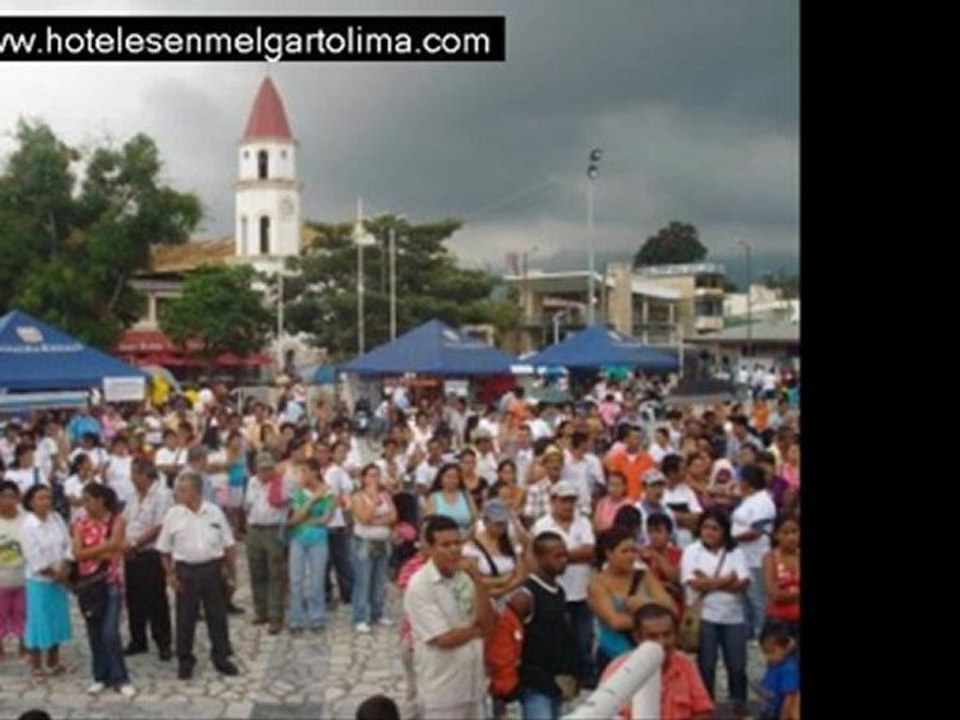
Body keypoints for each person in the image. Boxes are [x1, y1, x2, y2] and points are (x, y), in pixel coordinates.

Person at [403, 514, 495, 720]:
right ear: (430, 548)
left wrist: (479, 581)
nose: (454, 549)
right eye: (445, 545)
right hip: (443, 691)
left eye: (457, 543)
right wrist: (477, 631)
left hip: (473, 685)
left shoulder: (465, 578)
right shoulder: (420, 585)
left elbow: (489, 624)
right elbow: (444, 638)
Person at [157, 470, 240, 680]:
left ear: (195, 491)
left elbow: (228, 545)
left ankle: (221, 657)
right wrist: (170, 575)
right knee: (185, 619)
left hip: (212, 569)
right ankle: (185, 660)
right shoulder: (173, 515)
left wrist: (232, 574)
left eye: (183, 490)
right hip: (186, 570)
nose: (178, 494)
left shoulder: (214, 512)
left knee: (217, 617)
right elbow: (164, 550)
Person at [681, 509, 751, 716]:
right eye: (705, 527)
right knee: (706, 665)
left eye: (715, 528)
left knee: (737, 665)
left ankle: (739, 704)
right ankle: (706, 706)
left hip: (734, 617)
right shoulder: (691, 551)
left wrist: (710, 582)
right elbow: (693, 582)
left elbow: (743, 583)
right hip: (705, 617)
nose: (709, 532)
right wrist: (726, 580)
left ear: (724, 531)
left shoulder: (735, 552)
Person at [506, 531, 580, 720]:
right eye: (557, 556)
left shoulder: (559, 591)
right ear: (540, 558)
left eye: (565, 555)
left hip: (556, 679)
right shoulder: (525, 596)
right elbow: (508, 638)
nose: (564, 560)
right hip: (534, 682)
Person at [72, 483, 135, 696]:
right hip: (89, 585)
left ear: (100, 500)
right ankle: (101, 675)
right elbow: (78, 553)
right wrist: (104, 549)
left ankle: (120, 676)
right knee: (94, 632)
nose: (85, 503)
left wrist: (92, 551)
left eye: (88, 498)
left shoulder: (116, 520)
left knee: (110, 632)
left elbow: (116, 544)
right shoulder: (79, 523)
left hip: (111, 582)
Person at [599, 603, 714, 720]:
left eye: (667, 634)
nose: (662, 642)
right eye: (653, 636)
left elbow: (703, 711)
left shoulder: (686, 665)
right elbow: (603, 713)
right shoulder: (619, 669)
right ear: (637, 637)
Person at [533, 480, 597, 688]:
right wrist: (573, 555)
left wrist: (559, 556)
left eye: (571, 501)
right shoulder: (542, 525)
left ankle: (585, 677)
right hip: (555, 591)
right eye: (564, 501)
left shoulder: (583, 522)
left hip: (582, 590)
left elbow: (590, 551)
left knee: (584, 638)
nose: (568, 505)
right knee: (560, 638)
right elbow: (540, 559)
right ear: (553, 501)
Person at [588, 525, 676, 675]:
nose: (631, 556)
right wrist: (652, 615)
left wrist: (644, 602)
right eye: (624, 551)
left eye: (633, 551)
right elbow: (616, 622)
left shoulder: (644, 576)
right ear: (609, 553)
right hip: (614, 655)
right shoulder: (597, 584)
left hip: (647, 653)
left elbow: (672, 608)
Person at [122, 458, 173, 661]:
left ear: (145, 475)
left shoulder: (163, 495)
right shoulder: (133, 497)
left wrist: (136, 543)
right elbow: (125, 519)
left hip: (150, 553)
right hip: (131, 553)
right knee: (134, 598)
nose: (131, 478)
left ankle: (163, 641)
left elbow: (160, 526)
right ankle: (138, 639)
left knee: (155, 599)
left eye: (134, 474)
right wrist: (125, 543)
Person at [20, 484, 72, 679]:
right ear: (31, 502)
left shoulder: (56, 519)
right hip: (39, 580)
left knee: (57, 619)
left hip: (59, 577)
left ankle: (54, 658)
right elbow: (33, 557)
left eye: (48, 498)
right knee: (38, 622)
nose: (46, 502)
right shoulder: (28, 525)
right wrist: (55, 574)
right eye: (41, 498)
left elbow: (68, 544)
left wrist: (65, 567)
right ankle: (36, 663)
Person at [245, 451, 292, 635]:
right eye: (261, 469)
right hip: (255, 529)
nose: (265, 473)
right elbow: (248, 505)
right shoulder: (252, 483)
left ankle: (275, 616)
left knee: (275, 574)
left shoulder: (284, 482)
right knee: (256, 571)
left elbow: (289, 503)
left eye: (268, 469)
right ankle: (261, 610)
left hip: (273, 529)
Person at [288, 457, 335, 634]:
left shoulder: (329, 492)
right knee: (296, 580)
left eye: (305, 471)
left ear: (315, 472)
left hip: (318, 540)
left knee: (316, 580)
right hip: (298, 539)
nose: (302, 475)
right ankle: (296, 618)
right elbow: (294, 518)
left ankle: (317, 617)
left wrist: (307, 519)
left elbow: (326, 518)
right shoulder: (298, 492)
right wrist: (313, 499)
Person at [351, 464, 398, 633]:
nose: (373, 479)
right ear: (363, 478)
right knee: (363, 580)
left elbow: (393, 516)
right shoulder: (358, 497)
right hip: (364, 542)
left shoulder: (386, 495)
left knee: (379, 581)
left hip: (382, 541)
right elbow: (363, 518)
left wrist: (376, 520)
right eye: (370, 475)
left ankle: (377, 613)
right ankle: (360, 617)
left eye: (376, 475)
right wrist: (374, 504)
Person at [732, 464, 776, 638]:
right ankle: (749, 631)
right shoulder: (749, 499)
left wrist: (732, 539)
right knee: (746, 598)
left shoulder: (763, 501)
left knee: (758, 598)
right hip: (744, 557)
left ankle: (762, 633)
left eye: (740, 479)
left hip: (756, 557)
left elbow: (757, 532)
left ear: (747, 482)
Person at [462, 499, 526, 603]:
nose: (502, 527)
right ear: (485, 522)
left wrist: (502, 590)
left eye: (504, 523)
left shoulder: (511, 542)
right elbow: (475, 579)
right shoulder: (472, 547)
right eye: (498, 523)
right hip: (487, 599)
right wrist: (501, 580)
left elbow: (520, 575)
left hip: (512, 597)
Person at [325, 441, 355, 607]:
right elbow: (335, 495)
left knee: (343, 560)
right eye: (339, 451)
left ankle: (347, 592)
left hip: (341, 520)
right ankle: (331, 593)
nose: (343, 454)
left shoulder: (342, 471)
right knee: (333, 560)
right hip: (334, 519)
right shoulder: (333, 472)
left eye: (345, 451)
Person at [762, 514, 800, 641]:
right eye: (785, 533)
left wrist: (786, 593)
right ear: (776, 535)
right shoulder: (770, 558)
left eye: (795, 531)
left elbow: (780, 593)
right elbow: (774, 595)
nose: (791, 537)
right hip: (778, 622)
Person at [0, 480, 26, 660]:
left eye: (12, 496)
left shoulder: (27, 520)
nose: (8, 501)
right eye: (3, 497)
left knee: (24, 613)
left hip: (24, 577)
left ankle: (25, 645)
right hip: (1, 578)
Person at [758, 621, 800, 720]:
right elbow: (767, 686)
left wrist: (783, 717)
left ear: (786, 648)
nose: (768, 657)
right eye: (765, 653)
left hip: (780, 714)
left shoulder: (788, 669)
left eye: (772, 652)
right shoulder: (773, 666)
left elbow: (789, 698)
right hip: (769, 710)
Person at [424, 463, 477, 537]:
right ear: (441, 478)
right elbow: (428, 525)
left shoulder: (466, 496)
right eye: (449, 477)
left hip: (466, 539)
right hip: (442, 542)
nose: (452, 480)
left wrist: (466, 537)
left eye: (456, 477)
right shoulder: (433, 498)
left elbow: (475, 521)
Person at [605, 426, 656, 502]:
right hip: (622, 500)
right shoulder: (617, 459)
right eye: (635, 438)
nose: (638, 441)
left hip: (642, 501)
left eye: (639, 438)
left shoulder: (648, 459)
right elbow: (614, 480)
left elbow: (652, 481)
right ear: (626, 440)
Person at [103, 435, 135, 510]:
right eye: (118, 446)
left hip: (131, 497)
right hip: (116, 499)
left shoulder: (132, 460)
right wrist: (103, 470)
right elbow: (104, 480)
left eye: (123, 446)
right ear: (113, 447)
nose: (121, 448)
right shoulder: (109, 460)